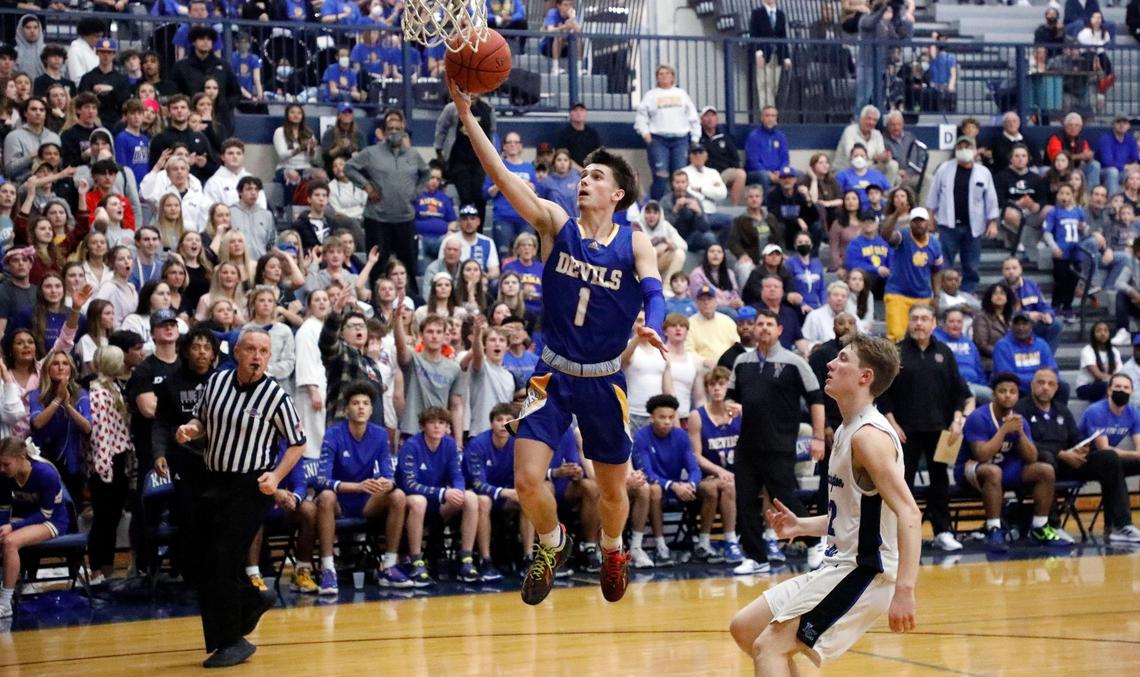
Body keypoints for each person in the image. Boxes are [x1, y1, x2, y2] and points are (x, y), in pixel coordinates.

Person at [451, 77, 668, 605]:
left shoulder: (635, 241)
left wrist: (653, 322)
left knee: (612, 490)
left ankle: (613, 547)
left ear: (617, 193)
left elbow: (654, 290)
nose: (583, 182)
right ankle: (552, 542)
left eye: (595, 176)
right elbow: (502, 178)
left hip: (603, 379)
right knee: (527, 480)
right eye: (583, 176)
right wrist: (467, 117)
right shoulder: (556, 224)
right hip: (547, 372)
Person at [729, 332, 921, 672]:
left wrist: (905, 589)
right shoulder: (848, 429)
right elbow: (857, 516)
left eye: (843, 359)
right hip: (837, 564)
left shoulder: (868, 437)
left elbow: (909, 513)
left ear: (865, 377)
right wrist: (803, 525)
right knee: (746, 628)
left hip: (865, 572)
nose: (831, 363)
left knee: (770, 646)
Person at [174, 328, 305, 668]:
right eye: (251, 349)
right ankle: (254, 598)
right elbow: (201, 420)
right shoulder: (215, 383)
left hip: (250, 486)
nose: (257, 356)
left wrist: (276, 477)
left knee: (222, 558)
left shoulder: (276, 396)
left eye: (264, 350)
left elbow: (298, 442)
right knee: (201, 558)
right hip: (212, 479)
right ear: (236, 352)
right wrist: (191, 429)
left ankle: (231, 640)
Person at [728, 309, 825, 575]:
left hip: (780, 444)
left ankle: (815, 542)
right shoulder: (741, 362)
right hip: (747, 445)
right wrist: (731, 407)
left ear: (780, 330)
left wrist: (817, 437)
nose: (764, 328)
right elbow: (730, 396)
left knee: (783, 498)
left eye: (769, 324)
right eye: (760, 324)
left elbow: (816, 398)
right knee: (745, 501)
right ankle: (756, 557)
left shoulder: (795, 362)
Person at [880, 304, 972, 552]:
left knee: (940, 481)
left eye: (924, 319)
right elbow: (883, 394)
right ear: (909, 323)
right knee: (903, 484)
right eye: (915, 319)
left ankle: (943, 531)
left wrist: (957, 419)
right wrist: (892, 423)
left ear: (934, 324)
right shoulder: (895, 352)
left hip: (942, 431)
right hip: (904, 431)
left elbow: (959, 391)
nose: (919, 323)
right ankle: (904, 536)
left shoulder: (945, 352)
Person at [1017, 367, 1140, 544]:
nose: (1046, 387)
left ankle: (1121, 526)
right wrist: (1061, 454)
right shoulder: (1021, 409)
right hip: (1039, 466)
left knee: (1108, 457)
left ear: (1056, 388)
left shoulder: (1061, 410)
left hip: (1069, 463)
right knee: (1046, 459)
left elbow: (1076, 437)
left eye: (1051, 384)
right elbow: (1026, 444)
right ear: (1032, 385)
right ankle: (1051, 525)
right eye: (1041, 383)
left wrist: (1082, 449)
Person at [314, 382, 410, 593]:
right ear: (347, 409)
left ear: (371, 409)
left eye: (365, 403)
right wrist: (356, 486)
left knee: (399, 495)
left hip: (367, 501)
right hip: (340, 500)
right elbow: (322, 480)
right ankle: (328, 570)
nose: (360, 407)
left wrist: (387, 482)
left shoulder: (379, 434)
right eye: (355, 403)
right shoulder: (333, 434)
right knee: (326, 497)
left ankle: (389, 565)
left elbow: (388, 473)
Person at [960, 372, 1065, 550]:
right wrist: (1003, 431)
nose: (1008, 395)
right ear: (994, 394)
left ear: (1018, 395)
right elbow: (981, 455)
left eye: (1012, 392)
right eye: (1002, 391)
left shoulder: (1019, 419)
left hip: (1005, 468)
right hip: (972, 469)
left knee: (1045, 470)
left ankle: (1040, 527)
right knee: (993, 471)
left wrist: (1021, 433)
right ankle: (994, 528)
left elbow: (1031, 457)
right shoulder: (978, 417)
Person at [400, 406, 481, 585]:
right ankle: (416, 561)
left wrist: (458, 491)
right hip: (411, 503)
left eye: (441, 423)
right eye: (432, 422)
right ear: (423, 426)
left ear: (447, 427)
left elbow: (457, 475)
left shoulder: (450, 444)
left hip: (439, 502)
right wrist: (443, 492)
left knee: (471, 498)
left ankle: (466, 560)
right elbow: (409, 485)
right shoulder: (411, 446)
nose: (437, 427)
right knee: (418, 501)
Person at [345, 110, 428, 280]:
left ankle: (410, 301)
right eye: (390, 128)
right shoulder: (371, 152)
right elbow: (348, 168)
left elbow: (426, 174)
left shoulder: (413, 154)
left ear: (404, 130)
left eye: (398, 128)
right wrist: (366, 185)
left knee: (408, 267)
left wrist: (416, 192)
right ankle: (377, 303)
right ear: (383, 131)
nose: (394, 132)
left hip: (405, 218)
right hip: (377, 219)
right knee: (378, 267)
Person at [0, 437, 72, 619]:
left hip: (53, 520)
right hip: (25, 518)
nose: (2, 468)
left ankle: (5, 603)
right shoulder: (4, 475)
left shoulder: (45, 473)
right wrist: (3, 526)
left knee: (10, 542)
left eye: (5, 464)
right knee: (5, 536)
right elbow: (3, 507)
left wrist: (12, 527)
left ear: (20, 458)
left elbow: (45, 514)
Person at [632, 394, 701, 568]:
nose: (668, 421)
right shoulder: (641, 437)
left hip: (679, 487)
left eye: (671, 417)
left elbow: (694, 469)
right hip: (661, 487)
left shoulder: (681, 436)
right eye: (662, 417)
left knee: (711, 488)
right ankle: (660, 545)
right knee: (654, 489)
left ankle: (702, 543)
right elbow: (647, 472)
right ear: (652, 418)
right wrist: (673, 485)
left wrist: (690, 485)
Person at [926, 136, 999, 293]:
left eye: (968, 146)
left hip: (974, 227)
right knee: (943, 264)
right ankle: (942, 294)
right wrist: (930, 217)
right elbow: (933, 194)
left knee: (971, 266)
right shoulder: (944, 168)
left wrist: (992, 222)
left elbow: (991, 199)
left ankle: (968, 295)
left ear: (974, 150)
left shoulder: (983, 172)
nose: (964, 150)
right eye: (960, 147)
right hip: (947, 225)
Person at [687, 366, 744, 564]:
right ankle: (717, 541)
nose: (717, 388)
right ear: (707, 388)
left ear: (728, 386)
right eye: (712, 384)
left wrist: (746, 413)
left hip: (736, 475)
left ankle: (735, 540)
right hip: (706, 476)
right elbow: (696, 455)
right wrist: (719, 471)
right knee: (721, 486)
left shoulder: (737, 413)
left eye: (721, 384)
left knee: (732, 484)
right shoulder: (697, 415)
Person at [635, 64, 700, 200]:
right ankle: (655, 207)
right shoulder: (651, 96)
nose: (664, 76)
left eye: (667, 73)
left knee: (679, 177)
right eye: (661, 74)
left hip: (680, 141)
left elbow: (693, 118)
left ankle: (679, 206)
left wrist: (695, 138)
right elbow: (641, 117)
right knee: (661, 176)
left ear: (672, 77)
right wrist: (646, 135)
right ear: (657, 78)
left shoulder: (681, 94)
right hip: (659, 140)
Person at [879, 206, 943, 341]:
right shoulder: (903, 235)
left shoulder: (935, 244)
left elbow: (937, 271)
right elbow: (886, 235)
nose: (918, 224)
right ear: (910, 223)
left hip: (923, 296)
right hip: (898, 294)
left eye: (922, 221)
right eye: (915, 221)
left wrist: (936, 295)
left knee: (926, 336)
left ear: (928, 222)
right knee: (896, 336)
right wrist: (896, 214)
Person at [993, 310, 1066, 401]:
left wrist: (1042, 383)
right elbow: (1005, 374)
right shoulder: (1002, 345)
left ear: (1031, 326)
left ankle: (1057, 414)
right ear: (1011, 326)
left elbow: (1052, 369)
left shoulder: (1041, 344)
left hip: (1040, 385)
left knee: (1063, 387)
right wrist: (1035, 383)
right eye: (1017, 324)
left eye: (1024, 324)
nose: (1021, 328)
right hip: (1017, 387)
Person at [834, 105, 898, 182]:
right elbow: (852, 156)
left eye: (874, 120)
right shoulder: (850, 131)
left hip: (869, 167)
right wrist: (875, 157)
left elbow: (881, 154)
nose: (871, 122)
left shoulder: (877, 134)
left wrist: (885, 157)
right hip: (848, 168)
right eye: (868, 118)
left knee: (893, 165)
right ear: (861, 119)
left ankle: (886, 193)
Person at [699, 106, 746, 206]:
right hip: (705, 174)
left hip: (723, 173)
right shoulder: (697, 138)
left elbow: (735, 158)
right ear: (701, 119)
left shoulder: (725, 137)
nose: (710, 119)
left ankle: (734, 208)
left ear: (717, 119)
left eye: (712, 115)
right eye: (706, 116)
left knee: (741, 174)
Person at [750, 0, 790, 111]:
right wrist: (758, 53)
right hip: (763, 54)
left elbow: (783, 37)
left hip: (777, 54)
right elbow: (753, 34)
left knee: (773, 86)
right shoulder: (757, 13)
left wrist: (786, 57)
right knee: (763, 84)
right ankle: (766, 113)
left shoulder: (780, 14)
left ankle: (771, 112)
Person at [743, 106, 790, 192]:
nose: (770, 119)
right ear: (762, 118)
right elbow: (752, 161)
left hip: (777, 172)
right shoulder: (754, 136)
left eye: (773, 116)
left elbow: (785, 158)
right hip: (756, 173)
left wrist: (781, 171)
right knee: (764, 177)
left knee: (797, 174)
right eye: (767, 115)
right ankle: (767, 204)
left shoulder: (781, 137)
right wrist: (768, 173)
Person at [555, 102, 602, 169]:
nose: (578, 113)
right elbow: (563, 156)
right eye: (575, 110)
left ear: (586, 113)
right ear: (570, 114)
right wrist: (581, 171)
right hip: (571, 172)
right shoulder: (564, 134)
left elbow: (598, 154)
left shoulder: (592, 133)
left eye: (581, 110)